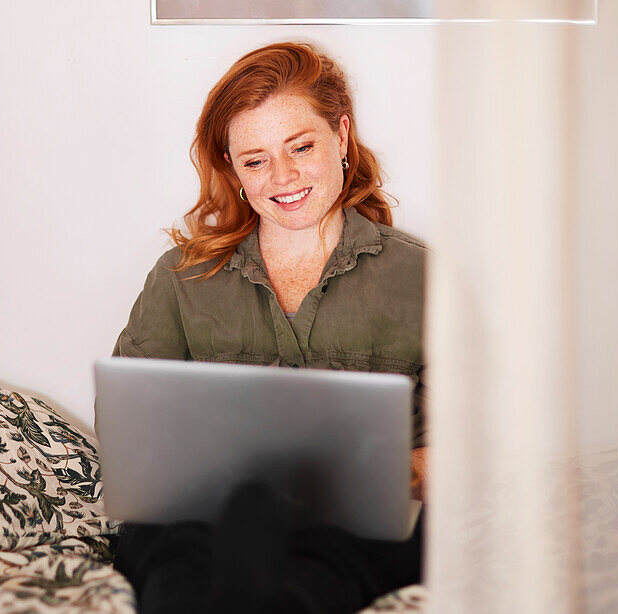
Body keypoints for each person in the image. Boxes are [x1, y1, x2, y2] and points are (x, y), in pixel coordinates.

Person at [111, 41, 427, 614]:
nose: (283, 176)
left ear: (342, 137)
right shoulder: (183, 278)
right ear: (233, 170)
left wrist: (381, 470)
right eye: (255, 160)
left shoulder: (421, 278)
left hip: (351, 525)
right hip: (197, 519)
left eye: (301, 146)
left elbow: (475, 446)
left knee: (314, 573)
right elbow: (131, 427)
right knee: (179, 566)